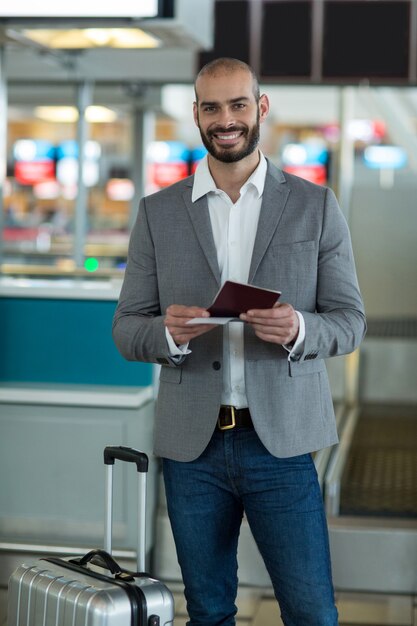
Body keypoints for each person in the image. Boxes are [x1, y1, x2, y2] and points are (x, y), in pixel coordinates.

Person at [113, 57, 366, 626]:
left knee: (311, 612)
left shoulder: (314, 205)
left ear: (261, 108)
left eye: (237, 105)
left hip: (281, 444)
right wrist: (167, 333)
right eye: (211, 107)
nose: (225, 119)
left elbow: (350, 321)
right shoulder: (158, 213)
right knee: (207, 611)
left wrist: (300, 328)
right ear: (196, 114)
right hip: (192, 450)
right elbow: (127, 327)